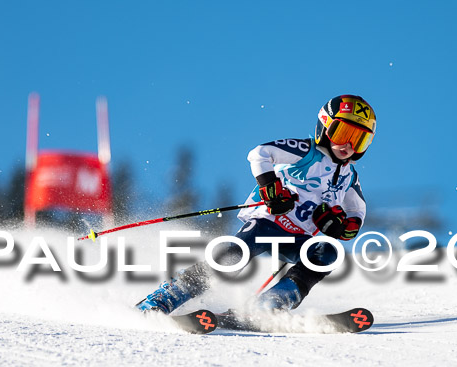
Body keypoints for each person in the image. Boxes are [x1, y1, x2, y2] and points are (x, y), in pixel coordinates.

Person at [136, 94, 376, 314]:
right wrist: (270, 188)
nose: (349, 146)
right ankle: (165, 298)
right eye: (343, 133)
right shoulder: (306, 151)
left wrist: (344, 226)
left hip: (301, 238)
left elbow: (358, 209)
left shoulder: (349, 176)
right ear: (324, 126)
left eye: (359, 140)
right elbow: (259, 153)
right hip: (268, 223)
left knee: (329, 253)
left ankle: (272, 303)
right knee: (233, 257)